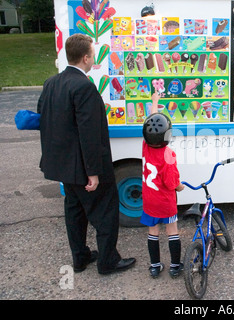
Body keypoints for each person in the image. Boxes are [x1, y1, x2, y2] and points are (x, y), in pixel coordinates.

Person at [37, 34, 136, 275]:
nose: (93, 58)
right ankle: (108, 261)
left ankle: (80, 257)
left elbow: (44, 117)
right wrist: (93, 173)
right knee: (105, 212)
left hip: (63, 166)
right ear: (85, 57)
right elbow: (90, 134)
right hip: (84, 167)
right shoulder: (84, 86)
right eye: (92, 54)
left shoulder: (51, 83)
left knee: (75, 211)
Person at [141, 92, 185, 278]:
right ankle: (175, 266)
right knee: (172, 231)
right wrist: (179, 186)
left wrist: (154, 102)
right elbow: (171, 183)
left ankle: (155, 266)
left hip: (149, 201)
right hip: (165, 202)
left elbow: (150, 121)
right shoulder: (168, 155)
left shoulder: (145, 145)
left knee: (153, 233)